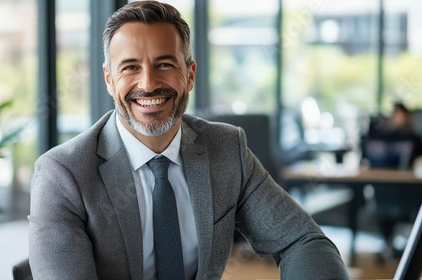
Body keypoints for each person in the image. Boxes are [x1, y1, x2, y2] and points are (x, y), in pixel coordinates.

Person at [28, 1, 349, 279]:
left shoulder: (226, 149)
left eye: (164, 64)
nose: (149, 83)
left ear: (190, 74)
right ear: (110, 80)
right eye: (130, 67)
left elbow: (302, 241)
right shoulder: (63, 174)